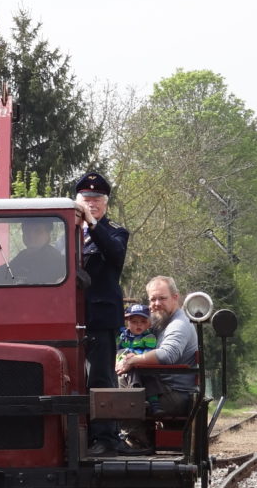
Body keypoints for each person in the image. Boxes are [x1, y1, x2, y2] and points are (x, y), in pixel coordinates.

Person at [74, 172, 130, 456]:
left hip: (99, 319)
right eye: (86, 199)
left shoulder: (114, 232)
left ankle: (105, 438)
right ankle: (73, 435)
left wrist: (92, 223)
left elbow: (115, 254)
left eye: (96, 199)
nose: (91, 203)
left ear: (105, 204)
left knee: (100, 378)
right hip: (67, 318)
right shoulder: (66, 234)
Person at [117, 275, 198, 418]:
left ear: (175, 297)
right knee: (119, 381)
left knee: (116, 394)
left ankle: (135, 437)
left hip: (174, 394)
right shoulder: (161, 321)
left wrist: (134, 360)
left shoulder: (178, 324)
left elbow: (167, 355)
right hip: (160, 388)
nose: (156, 303)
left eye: (162, 298)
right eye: (153, 299)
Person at [0, 219, 65, 285]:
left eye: (38, 231)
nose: (31, 235)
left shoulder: (57, 260)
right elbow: (2, 273)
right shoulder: (23, 257)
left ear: (48, 235)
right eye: (27, 231)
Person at [116, 303, 158, 368]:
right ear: (127, 323)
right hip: (122, 364)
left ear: (148, 324)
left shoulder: (149, 337)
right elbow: (116, 349)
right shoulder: (123, 336)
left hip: (140, 368)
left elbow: (149, 353)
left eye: (143, 321)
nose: (139, 324)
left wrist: (135, 356)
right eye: (134, 321)